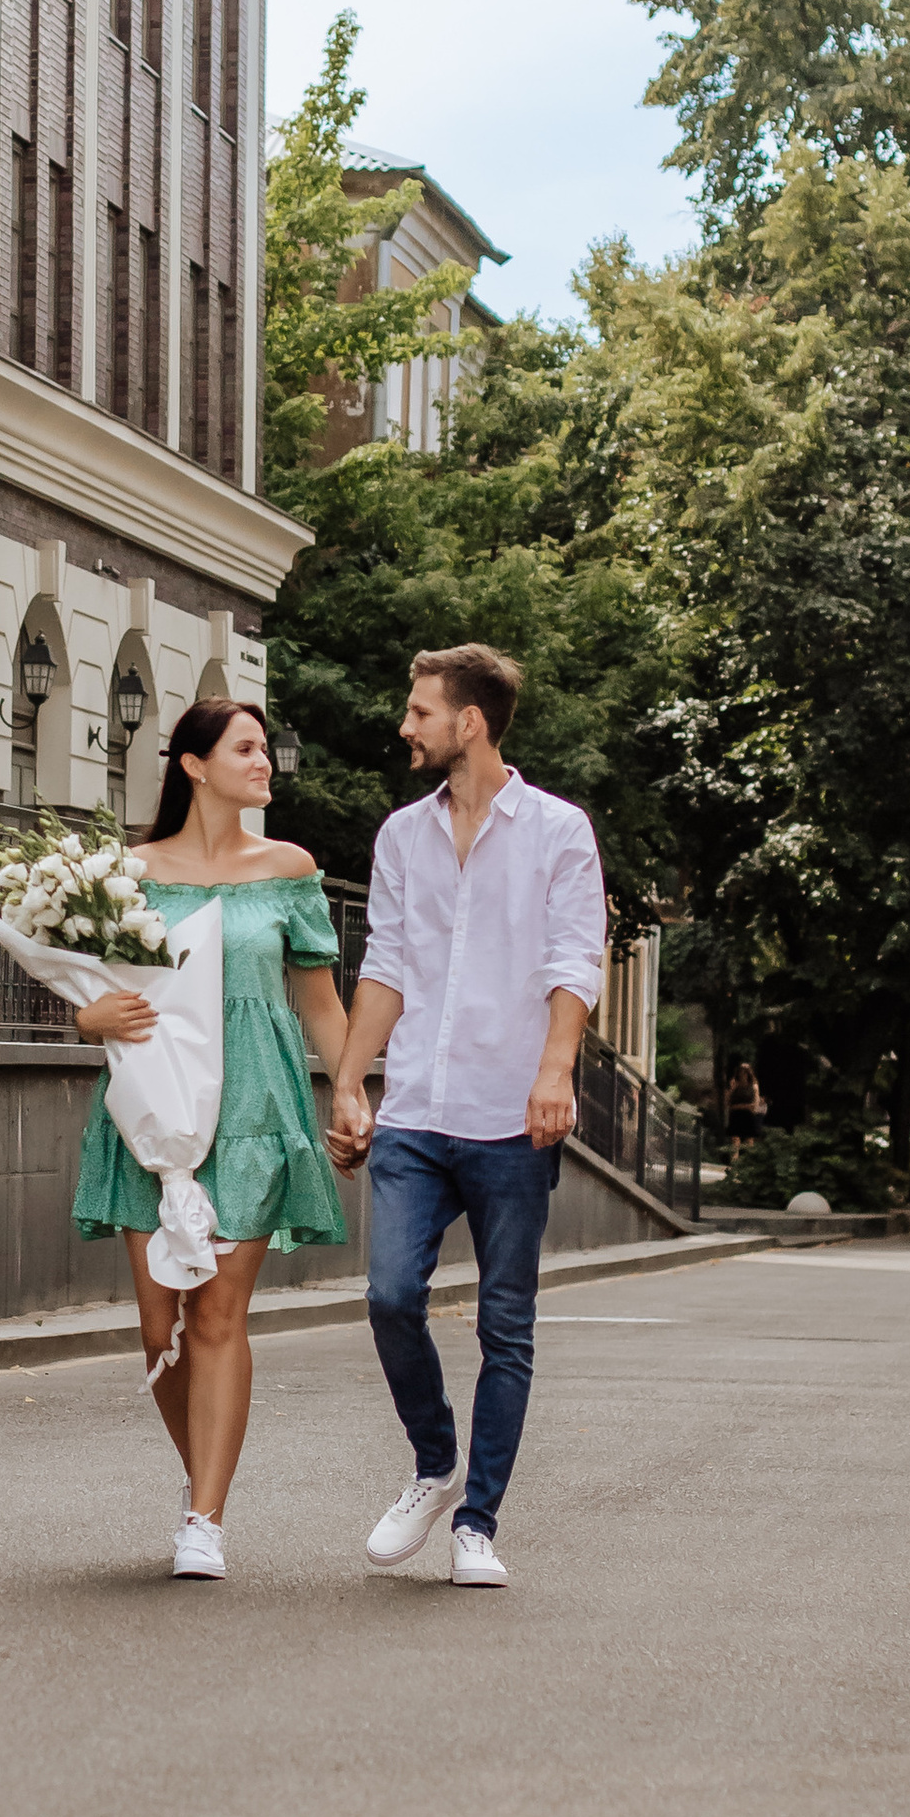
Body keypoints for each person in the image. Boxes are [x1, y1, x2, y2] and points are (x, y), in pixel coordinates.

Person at [327, 645, 607, 1589]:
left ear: (469, 723)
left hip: (509, 1113)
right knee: (390, 1297)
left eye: (420, 711)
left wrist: (555, 1068)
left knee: (505, 1324)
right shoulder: (402, 836)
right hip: (415, 1108)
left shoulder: (559, 831)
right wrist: (350, 1082)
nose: (406, 726)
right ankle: (434, 1462)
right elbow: (387, 966)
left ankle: (477, 1522)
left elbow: (576, 959)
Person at [70, 695, 353, 1582]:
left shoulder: (289, 869)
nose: (264, 762)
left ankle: (204, 1517)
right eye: (246, 749)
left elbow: (320, 1002)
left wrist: (351, 1092)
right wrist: (89, 1017)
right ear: (194, 765)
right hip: (154, 1108)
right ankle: (205, 1475)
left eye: (265, 749)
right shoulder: (129, 872)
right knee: (162, 1325)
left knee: (219, 1311)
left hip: (257, 1105)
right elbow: (91, 988)